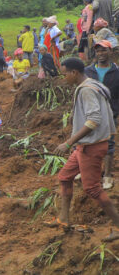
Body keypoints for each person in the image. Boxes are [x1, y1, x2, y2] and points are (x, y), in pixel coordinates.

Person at [52, 58, 119, 241]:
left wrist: (68, 142)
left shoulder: (87, 90)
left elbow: (93, 120)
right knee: (65, 177)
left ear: (74, 73)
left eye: (65, 73)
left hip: (91, 146)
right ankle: (64, 219)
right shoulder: (92, 84)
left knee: (92, 189)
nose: (64, 77)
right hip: (86, 145)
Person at [85, 40, 119, 190]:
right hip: (91, 113)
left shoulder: (117, 73)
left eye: (104, 50)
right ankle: (90, 172)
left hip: (110, 114)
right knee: (88, 142)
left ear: (110, 52)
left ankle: (107, 176)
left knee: (109, 144)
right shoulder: (88, 71)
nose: (101, 54)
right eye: (98, 51)